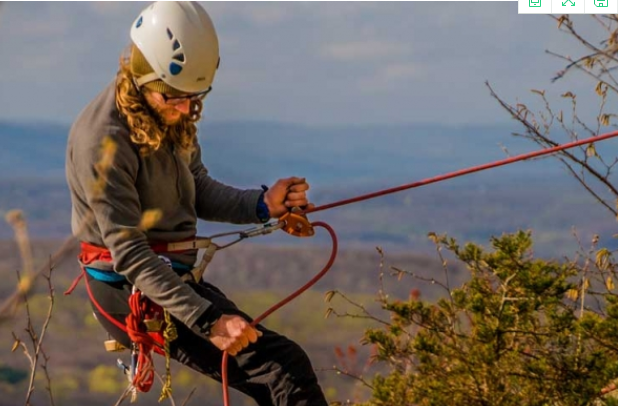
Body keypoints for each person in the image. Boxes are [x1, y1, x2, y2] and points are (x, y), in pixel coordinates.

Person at [65, 2, 328, 405]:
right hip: (128, 288)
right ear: (143, 75)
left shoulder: (167, 108)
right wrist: (210, 322)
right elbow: (131, 256)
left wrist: (262, 204)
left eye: (194, 96)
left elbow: (197, 187)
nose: (186, 109)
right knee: (282, 370)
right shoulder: (102, 143)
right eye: (175, 97)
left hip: (166, 277)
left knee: (274, 375)